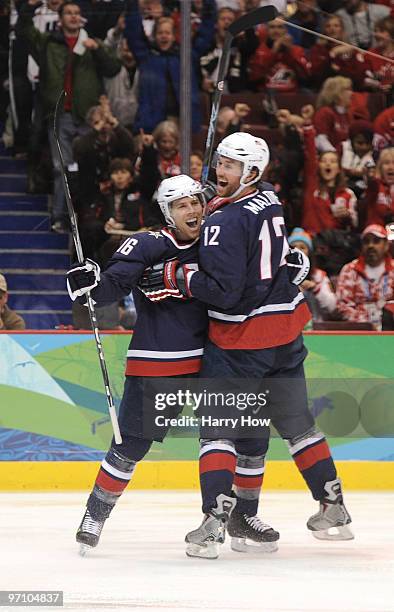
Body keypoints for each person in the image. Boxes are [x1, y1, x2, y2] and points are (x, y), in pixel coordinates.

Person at [141, 132, 353, 559]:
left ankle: (213, 523)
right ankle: (333, 505)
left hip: (242, 340)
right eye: (218, 162)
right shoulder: (270, 199)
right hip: (287, 332)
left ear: (251, 172)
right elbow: (258, 234)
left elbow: (226, 292)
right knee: (297, 425)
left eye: (230, 166)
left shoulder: (222, 221)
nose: (220, 171)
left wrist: (179, 278)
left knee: (218, 430)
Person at [66, 174, 279, 555]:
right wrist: (90, 283)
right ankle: (95, 514)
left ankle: (237, 518)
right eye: (182, 205)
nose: (193, 209)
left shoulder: (219, 240)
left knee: (238, 437)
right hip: (159, 361)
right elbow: (114, 283)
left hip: (216, 358)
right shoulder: (148, 243)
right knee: (131, 445)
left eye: (196, 201)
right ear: (168, 212)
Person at [16, 0, 121, 232]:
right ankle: (60, 217)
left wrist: (98, 49)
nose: (74, 17)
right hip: (59, 114)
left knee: (86, 167)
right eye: (69, 13)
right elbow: (23, 30)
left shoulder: (91, 43)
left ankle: (84, 219)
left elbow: (114, 67)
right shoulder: (47, 43)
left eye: (77, 13)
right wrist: (29, 7)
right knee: (61, 167)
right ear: (60, 18)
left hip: (87, 116)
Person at [336, 224, 394, 329]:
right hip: (359, 330)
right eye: (366, 242)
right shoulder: (349, 270)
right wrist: (366, 323)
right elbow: (343, 306)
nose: (371, 246)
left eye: (376, 241)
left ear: (386, 245)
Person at [288, 227, 337, 324]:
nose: (298, 251)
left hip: (317, 330)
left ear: (309, 253)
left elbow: (332, 307)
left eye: (302, 247)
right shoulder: (280, 276)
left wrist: (315, 289)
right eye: (294, 247)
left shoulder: (319, 276)